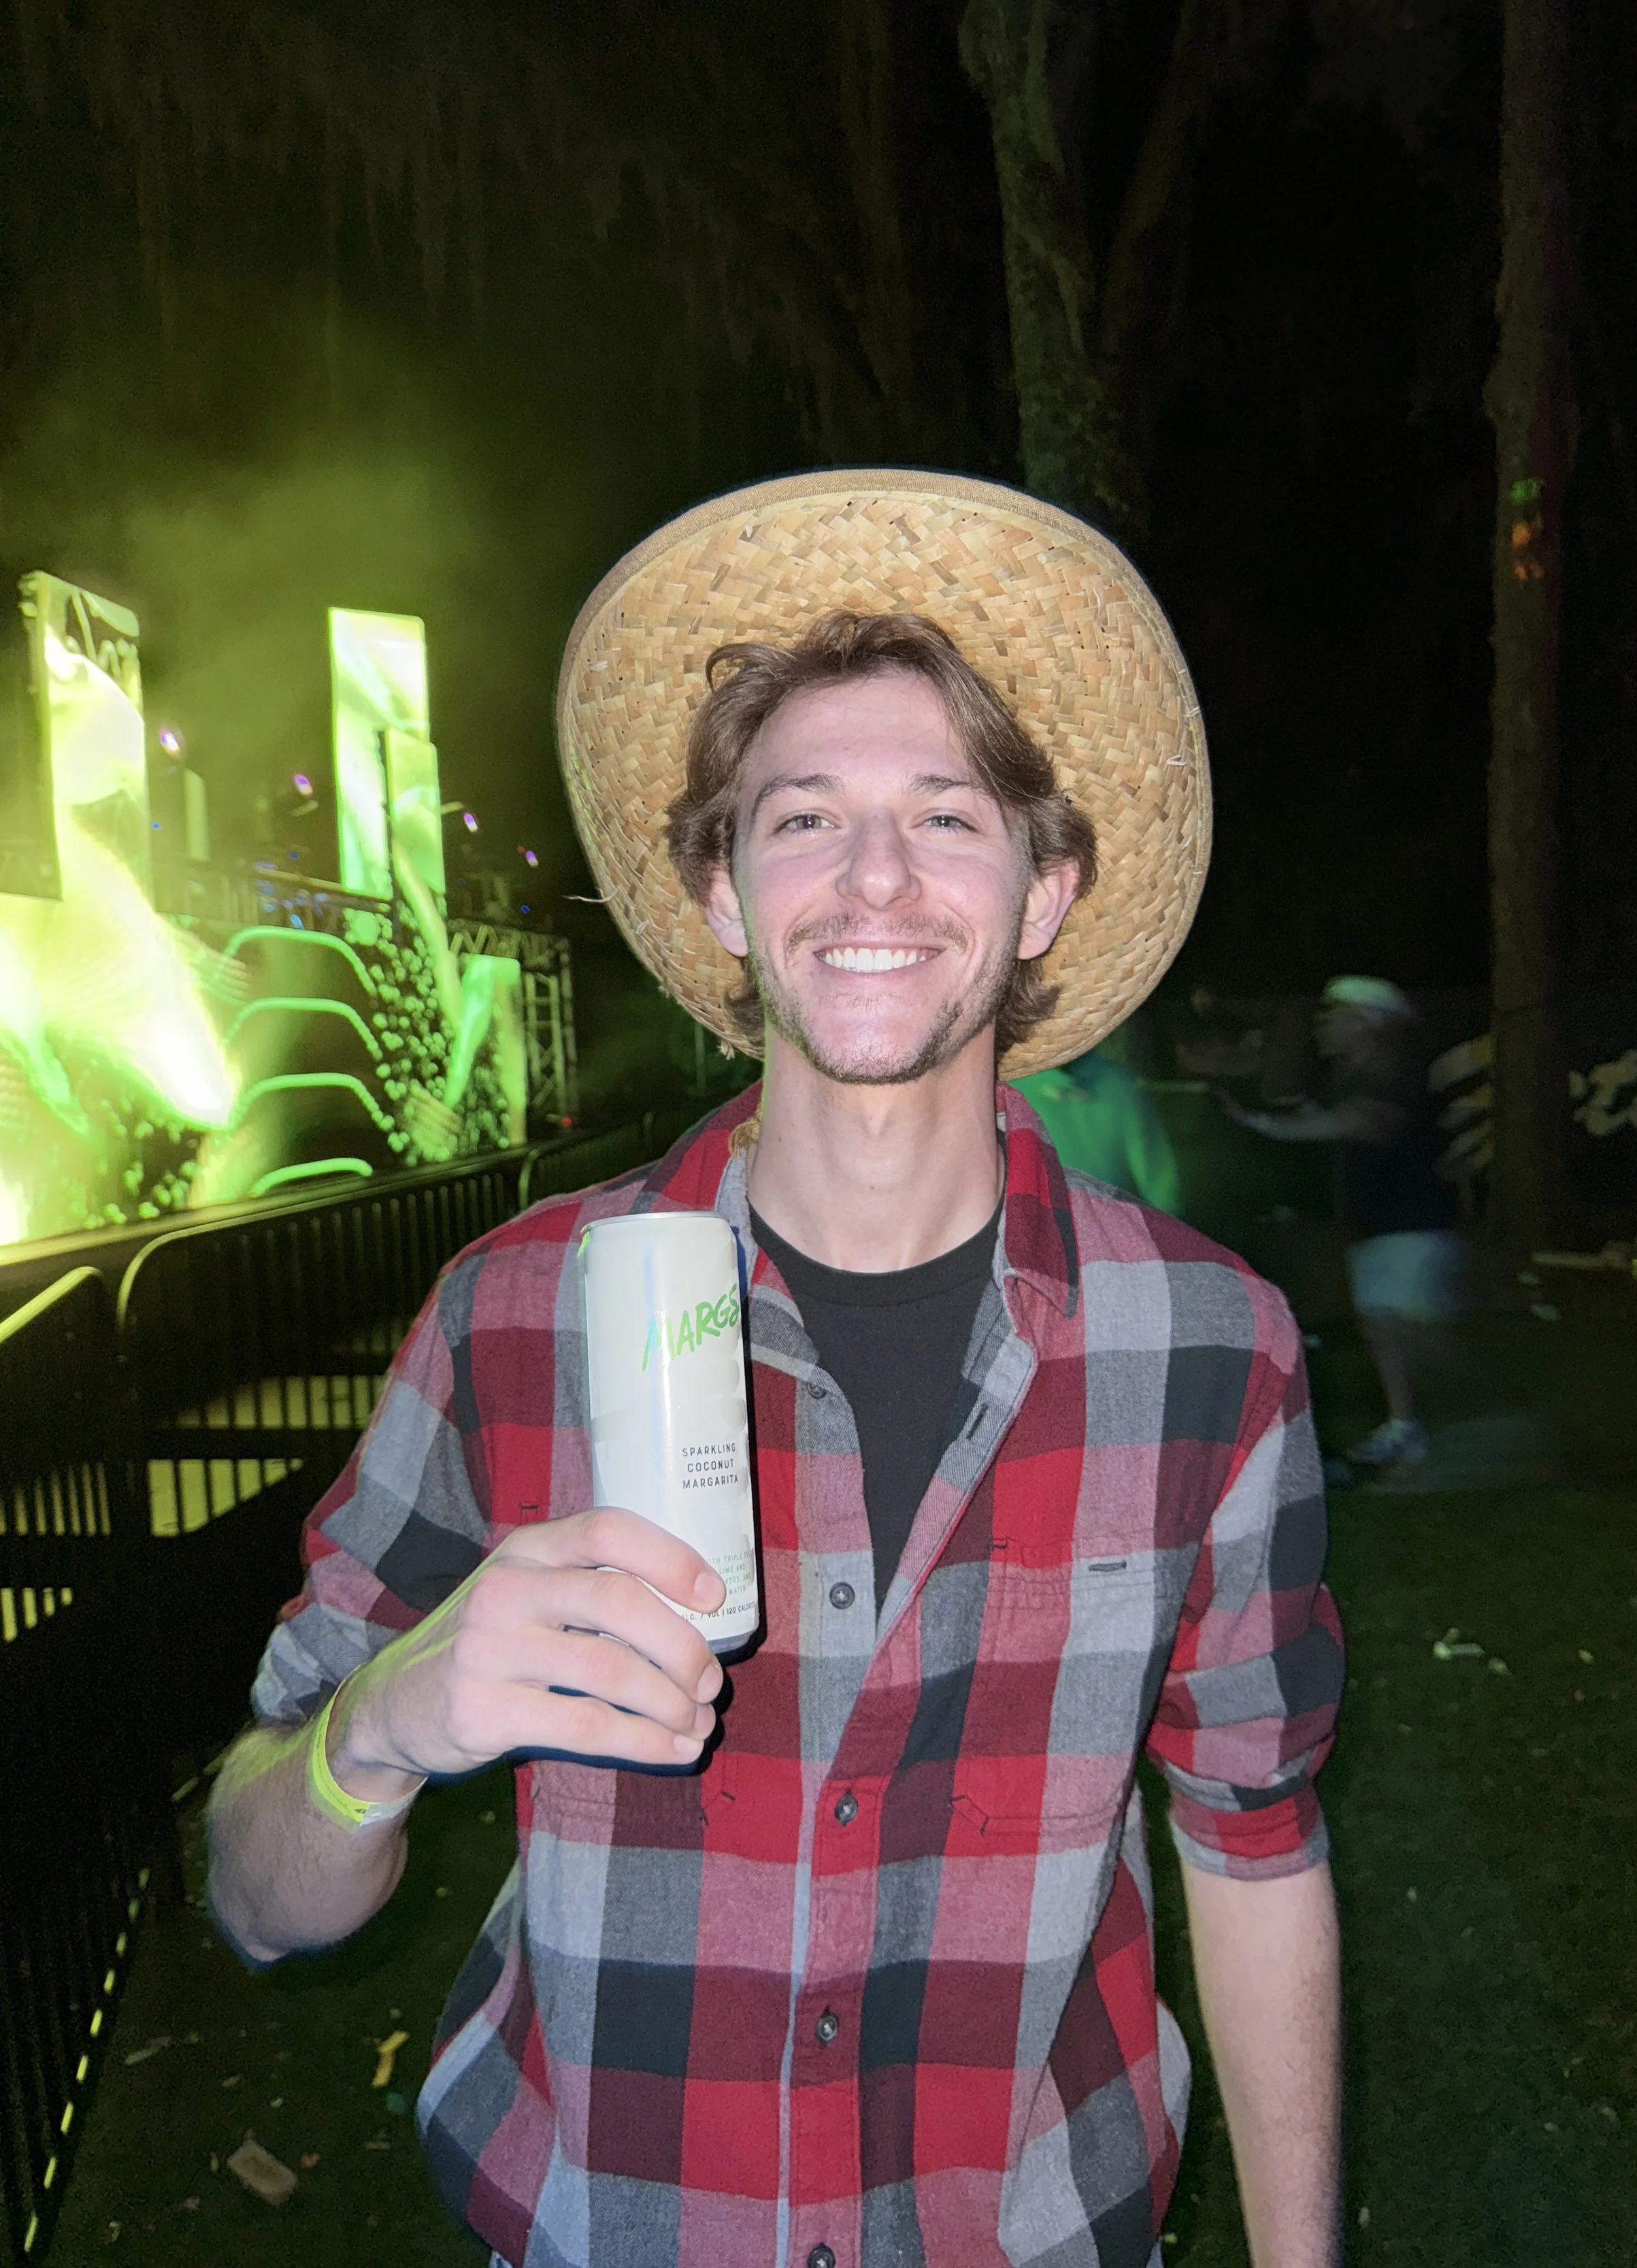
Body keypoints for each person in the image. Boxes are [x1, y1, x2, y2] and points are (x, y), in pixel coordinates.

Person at [207, 472, 1344, 2268]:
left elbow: (1254, 1842)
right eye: (801, 817)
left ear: (1044, 887)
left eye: (945, 818)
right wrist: (387, 1720)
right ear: (720, 891)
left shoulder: (1210, 1350)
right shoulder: (512, 1312)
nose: (872, 877)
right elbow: (255, 1892)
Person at [1223, 975, 1461, 1470]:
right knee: (1385, 1327)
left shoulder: (1391, 1072)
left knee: (1405, 1328)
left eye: (1337, 1017)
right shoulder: (1352, 1075)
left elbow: (1360, 1122)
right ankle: (1410, 1425)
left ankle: (1437, 1420)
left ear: (1369, 1024)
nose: (1325, 1026)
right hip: (1379, 1228)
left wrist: (1265, 1125)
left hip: (1413, 1226)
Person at [1010, 1018, 1183, 1213]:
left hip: (1104, 1233)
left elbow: (1162, 1186)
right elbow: (1162, 1187)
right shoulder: (1119, 1084)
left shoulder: (1119, 1085)